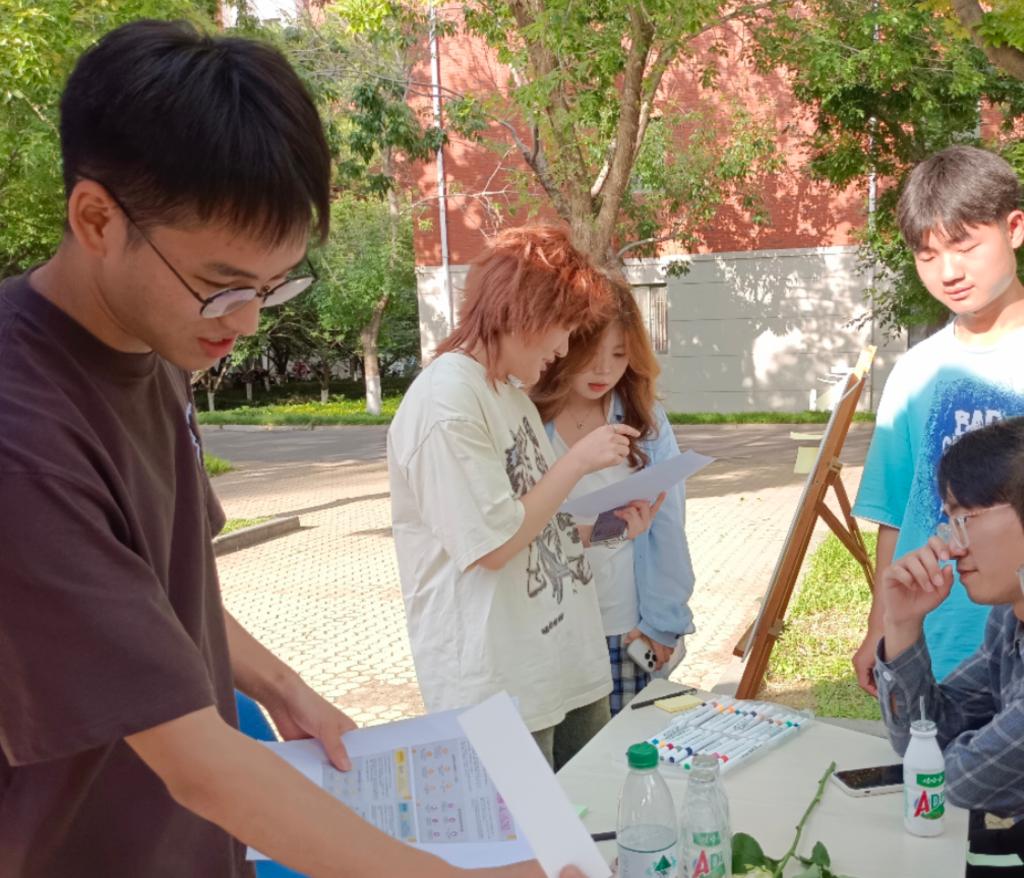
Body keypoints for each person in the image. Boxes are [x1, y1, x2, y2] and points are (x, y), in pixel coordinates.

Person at [0, 21, 586, 878]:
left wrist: (285, 690)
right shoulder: (22, 436)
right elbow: (200, 767)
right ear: (96, 218)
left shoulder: (155, 347)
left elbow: (152, 600)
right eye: (220, 287)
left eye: (271, 288)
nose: (244, 323)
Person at [388, 225, 637, 771]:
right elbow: (494, 544)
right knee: (526, 828)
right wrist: (578, 461)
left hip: (563, 667)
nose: (563, 349)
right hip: (499, 688)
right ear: (525, 313)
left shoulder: (508, 394)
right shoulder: (446, 403)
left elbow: (534, 522)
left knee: (588, 815)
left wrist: (609, 528)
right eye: (564, 330)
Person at [852, 145, 1024, 694]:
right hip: (932, 644)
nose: (949, 272)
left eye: (965, 246)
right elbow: (895, 515)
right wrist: (881, 624)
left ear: (1014, 228)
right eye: (927, 255)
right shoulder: (914, 372)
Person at [532, 280, 696, 714]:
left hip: (622, 623)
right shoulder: (527, 415)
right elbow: (522, 525)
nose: (604, 370)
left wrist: (664, 621)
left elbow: (668, 526)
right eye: (590, 353)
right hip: (547, 625)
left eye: (620, 355)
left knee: (623, 747)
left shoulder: (644, 415)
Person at [874, 417, 1024, 874]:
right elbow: (923, 738)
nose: (952, 546)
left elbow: (954, 782)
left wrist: (938, 758)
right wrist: (902, 623)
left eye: (964, 519)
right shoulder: (1010, 618)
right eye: (948, 522)